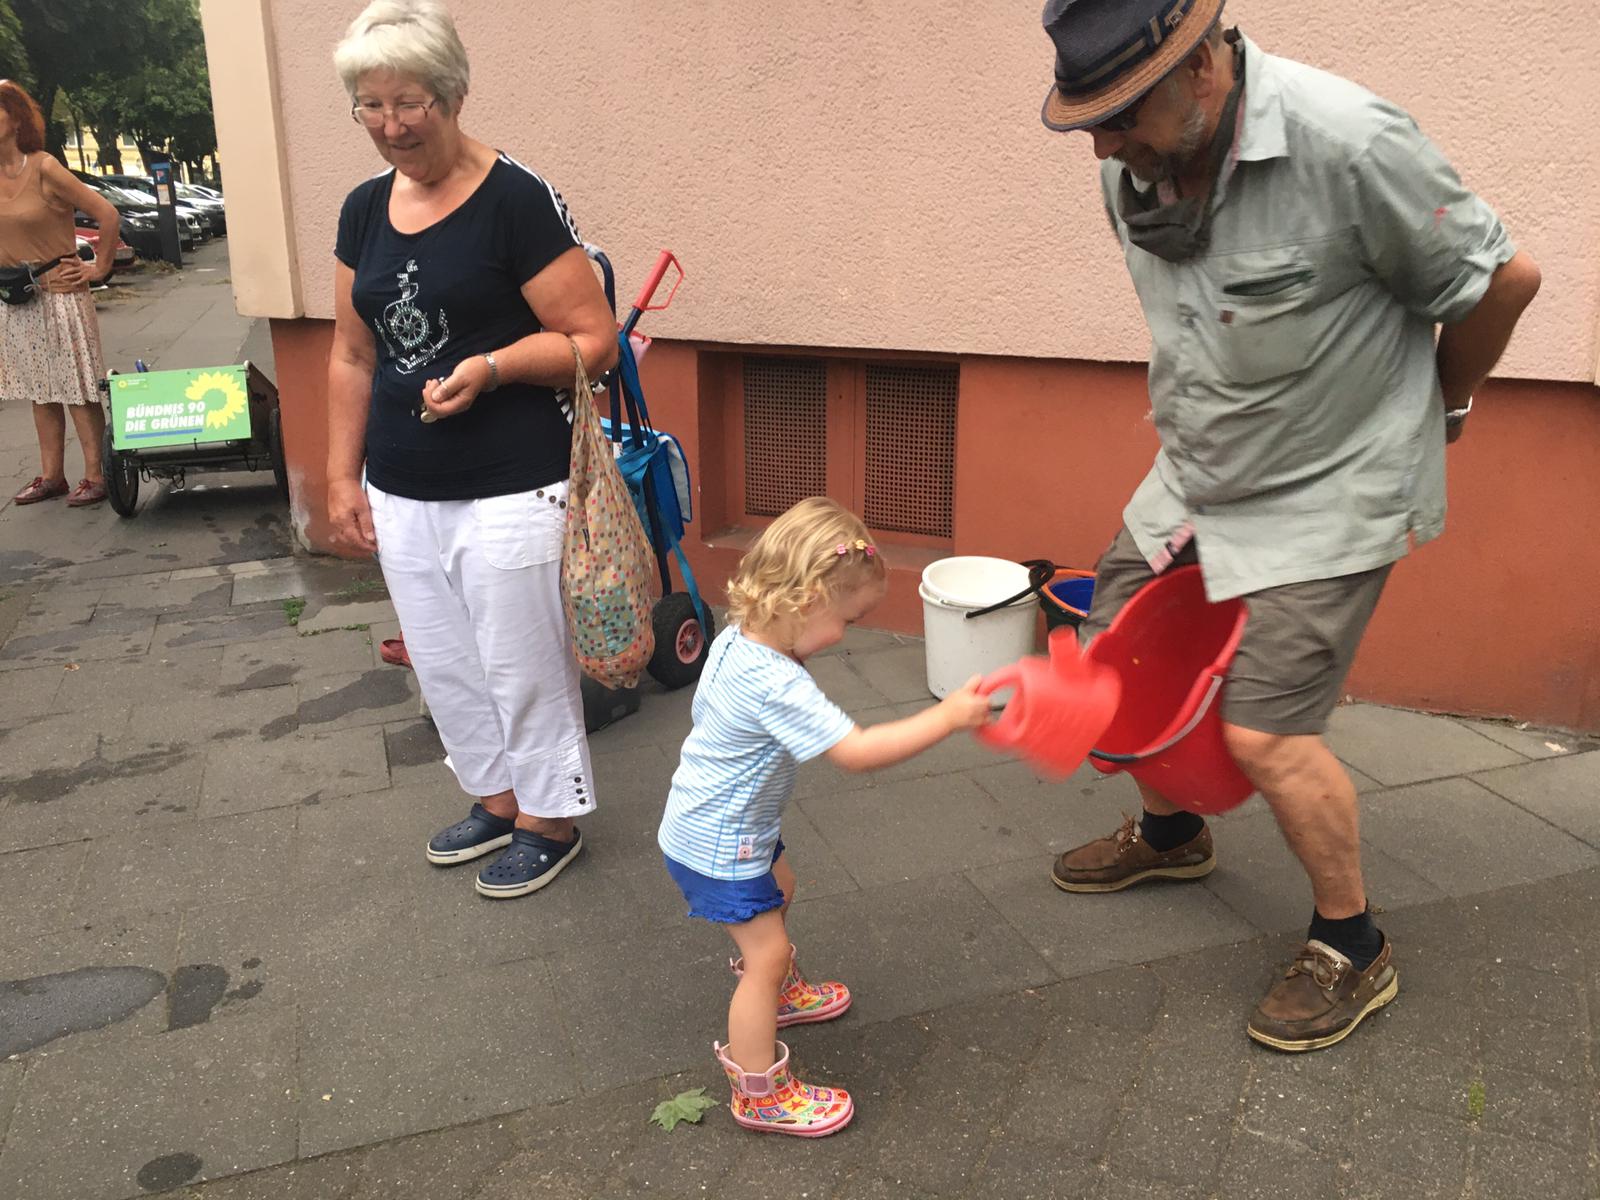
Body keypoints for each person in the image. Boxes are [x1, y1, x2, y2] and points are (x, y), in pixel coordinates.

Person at [1037, 0, 1540, 1051]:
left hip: (1333, 481)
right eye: (1090, 119)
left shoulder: (1348, 142)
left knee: (1265, 730)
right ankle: (1174, 832)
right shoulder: (1133, 162)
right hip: (1201, 466)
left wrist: (1444, 404)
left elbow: (1502, 281)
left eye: (1121, 115)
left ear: (1201, 70)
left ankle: (1352, 943)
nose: (1102, 145)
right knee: (1115, 656)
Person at [327, 0, 618, 897]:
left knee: (523, 664)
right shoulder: (363, 209)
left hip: (511, 481)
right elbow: (350, 353)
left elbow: (594, 341)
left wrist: (492, 368)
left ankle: (550, 818)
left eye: (408, 103)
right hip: (401, 483)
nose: (390, 126)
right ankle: (496, 800)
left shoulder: (515, 200)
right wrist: (341, 475)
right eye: (371, 106)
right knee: (446, 660)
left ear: (453, 95)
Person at [658, 498, 992, 1136]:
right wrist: (947, 718)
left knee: (782, 888)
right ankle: (758, 1092)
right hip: (720, 842)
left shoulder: (735, 637)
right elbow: (856, 753)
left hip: (722, 824)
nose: (846, 634)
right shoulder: (775, 683)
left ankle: (780, 995)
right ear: (807, 600)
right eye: (847, 619)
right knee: (765, 956)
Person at [0, 80, 122, 508]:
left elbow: (107, 214)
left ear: (15, 119)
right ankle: (52, 475)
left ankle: (97, 474)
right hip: (16, 297)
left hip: (61, 294)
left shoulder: (44, 167)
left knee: (77, 385)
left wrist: (98, 268)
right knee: (40, 387)